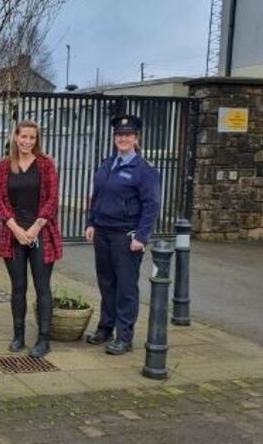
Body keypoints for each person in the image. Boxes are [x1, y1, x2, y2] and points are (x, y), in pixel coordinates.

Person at [84, 114, 160, 355]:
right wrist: (91, 222)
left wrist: (141, 236)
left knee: (126, 287)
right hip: (103, 232)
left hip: (126, 236)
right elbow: (96, 196)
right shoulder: (107, 163)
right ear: (114, 137)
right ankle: (105, 328)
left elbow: (151, 205)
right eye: (119, 134)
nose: (123, 138)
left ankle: (124, 336)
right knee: (106, 283)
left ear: (136, 138)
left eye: (128, 135)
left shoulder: (144, 170)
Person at [0, 120, 62, 358]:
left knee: (42, 287)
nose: (27, 142)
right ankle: (18, 335)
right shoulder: (4, 166)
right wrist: (15, 228)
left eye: (32, 138)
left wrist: (34, 228)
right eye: (24, 137)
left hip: (40, 232)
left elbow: (52, 198)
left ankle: (43, 340)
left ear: (37, 140)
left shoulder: (45, 164)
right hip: (13, 235)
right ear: (16, 137)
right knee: (18, 287)